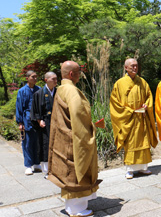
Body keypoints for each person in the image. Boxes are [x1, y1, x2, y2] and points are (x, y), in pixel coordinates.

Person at [48, 61, 101, 217]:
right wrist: (89, 133)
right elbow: (78, 118)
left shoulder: (61, 89)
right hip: (74, 138)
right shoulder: (71, 91)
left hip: (65, 137)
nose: (80, 75)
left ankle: (72, 207)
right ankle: (77, 210)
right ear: (71, 74)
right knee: (76, 172)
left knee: (68, 172)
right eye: (78, 72)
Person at [110, 58, 158, 179]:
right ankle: (130, 170)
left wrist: (147, 105)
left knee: (143, 142)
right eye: (132, 66)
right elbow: (115, 103)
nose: (135, 68)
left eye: (136, 66)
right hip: (128, 118)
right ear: (126, 68)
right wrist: (129, 111)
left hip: (141, 118)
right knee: (131, 143)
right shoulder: (119, 83)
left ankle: (143, 168)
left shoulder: (142, 81)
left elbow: (148, 95)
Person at [30, 71, 57, 178]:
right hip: (45, 124)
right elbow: (35, 110)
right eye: (53, 79)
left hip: (57, 123)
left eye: (56, 79)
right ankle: (47, 171)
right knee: (45, 145)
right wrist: (39, 120)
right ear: (46, 80)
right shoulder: (39, 93)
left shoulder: (58, 92)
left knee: (57, 145)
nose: (55, 81)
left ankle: (57, 169)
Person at [16, 70, 41, 176]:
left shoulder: (39, 89)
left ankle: (36, 163)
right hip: (26, 120)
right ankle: (28, 166)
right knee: (27, 143)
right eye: (32, 77)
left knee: (37, 142)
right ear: (27, 78)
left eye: (36, 77)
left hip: (38, 120)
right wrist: (20, 122)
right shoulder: (22, 91)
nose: (35, 79)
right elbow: (19, 107)